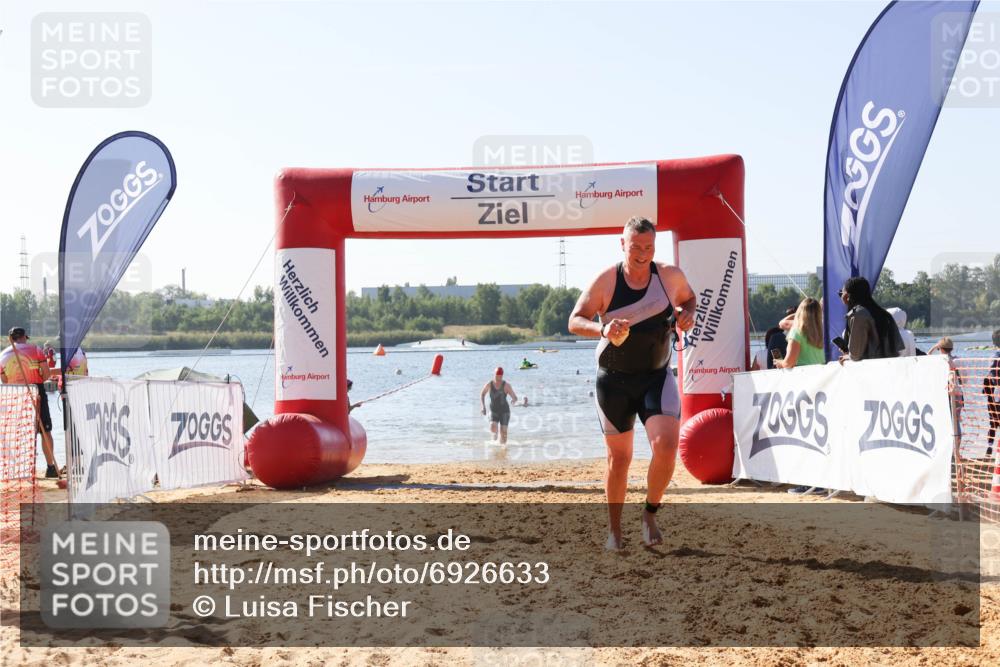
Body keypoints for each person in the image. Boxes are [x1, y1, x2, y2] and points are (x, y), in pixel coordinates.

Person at [567, 216, 696, 550]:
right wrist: (603, 329)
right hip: (614, 383)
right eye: (635, 246)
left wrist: (686, 314)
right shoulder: (606, 281)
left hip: (656, 376)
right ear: (622, 244)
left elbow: (689, 300)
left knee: (666, 447)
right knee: (620, 460)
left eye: (648, 247)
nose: (642, 253)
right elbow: (575, 320)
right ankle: (614, 530)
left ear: (655, 246)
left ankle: (650, 513)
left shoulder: (669, 276)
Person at [0, 327, 58, 478]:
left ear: (11, 339)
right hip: (36, 390)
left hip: (15, 393)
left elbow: (5, 381)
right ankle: (50, 467)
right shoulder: (35, 349)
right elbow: (46, 374)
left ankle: (21, 469)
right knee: (45, 431)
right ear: (24, 337)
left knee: (20, 432)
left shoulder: (2, 354)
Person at [838, 277, 903, 362]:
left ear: (847, 296)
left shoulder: (858, 314)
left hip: (870, 370)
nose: (841, 297)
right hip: (888, 367)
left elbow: (855, 354)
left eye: (841, 294)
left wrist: (848, 356)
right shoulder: (884, 314)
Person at [928, 337, 964, 455]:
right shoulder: (958, 360)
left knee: (943, 423)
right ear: (952, 348)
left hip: (945, 395)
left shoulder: (939, 360)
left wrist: (934, 347)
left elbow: (926, 357)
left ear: (940, 349)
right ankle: (956, 451)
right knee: (956, 422)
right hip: (958, 394)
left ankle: (945, 452)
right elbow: (965, 379)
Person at [774, 298, 825, 369]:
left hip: (803, 375)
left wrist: (780, 363)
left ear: (801, 312)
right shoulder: (823, 332)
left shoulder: (797, 332)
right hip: (821, 374)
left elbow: (789, 363)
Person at [480, 367, 517, 444]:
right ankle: (494, 442)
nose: (498, 377)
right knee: (493, 427)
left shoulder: (506, 385)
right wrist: (483, 406)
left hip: (504, 411)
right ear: (495, 374)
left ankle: (502, 450)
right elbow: (482, 394)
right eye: (497, 375)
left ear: (502, 375)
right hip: (494, 411)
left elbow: (514, 397)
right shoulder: (489, 384)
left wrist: (513, 400)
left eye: (500, 376)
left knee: (503, 432)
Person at [983, 330, 1000, 456]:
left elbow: (991, 375)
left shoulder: (993, 357)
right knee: (993, 422)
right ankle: (989, 448)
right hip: (995, 393)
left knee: (993, 422)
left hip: (994, 394)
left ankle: (989, 448)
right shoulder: (995, 357)